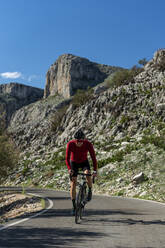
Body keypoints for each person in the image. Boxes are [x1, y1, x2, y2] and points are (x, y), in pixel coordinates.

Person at [65, 129, 97, 215]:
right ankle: (74, 207)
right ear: (75, 140)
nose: (79, 143)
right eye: (77, 141)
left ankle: (90, 190)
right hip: (74, 163)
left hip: (84, 162)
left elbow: (93, 157)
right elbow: (67, 158)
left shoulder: (88, 144)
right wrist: (69, 169)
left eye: (80, 141)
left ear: (84, 140)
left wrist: (95, 170)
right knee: (73, 184)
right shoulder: (70, 144)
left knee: (87, 173)